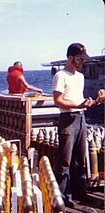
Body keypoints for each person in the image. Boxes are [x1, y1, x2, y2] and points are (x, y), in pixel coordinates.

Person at [52, 43, 105, 207]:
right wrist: (78, 106)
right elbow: (58, 100)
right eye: (79, 59)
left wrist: (96, 101)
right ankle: (64, 197)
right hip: (67, 119)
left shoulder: (80, 77)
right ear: (70, 58)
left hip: (81, 118)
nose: (82, 62)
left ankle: (79, 193)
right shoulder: (60, 76)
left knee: (80, 159)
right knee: (65, 161)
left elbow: (80, 101)